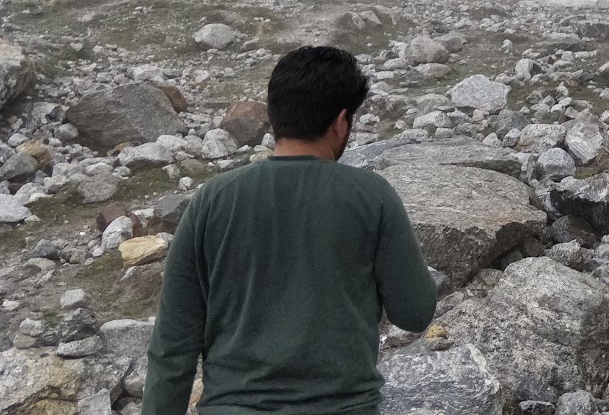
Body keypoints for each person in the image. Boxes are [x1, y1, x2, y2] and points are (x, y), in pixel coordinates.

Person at [144, 46, 437, 415]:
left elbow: (173, 346)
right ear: (341, 122)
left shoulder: (212, 200)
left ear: (273, 113)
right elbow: (414, 313)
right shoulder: (373, 196)